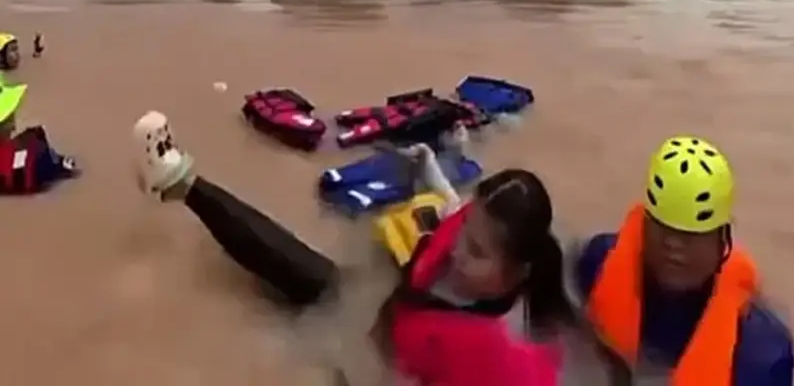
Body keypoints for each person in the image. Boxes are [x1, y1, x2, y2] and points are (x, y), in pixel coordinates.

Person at [132, 110, 573, 385]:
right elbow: (454, 208)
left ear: (519, 273)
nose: (457, 252)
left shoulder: (504, 365)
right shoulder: (473, 226)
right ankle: (177, 182)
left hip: (377, 361)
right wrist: (430, 167)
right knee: (287, 260)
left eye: (476, 252)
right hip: (377, 315)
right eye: (464, 235)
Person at [574, 136, 794, 385]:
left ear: (722, 241)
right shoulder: (596, 264)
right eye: (663, 227)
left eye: (690, 234)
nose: (673, 244)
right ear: (644, 224)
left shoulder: (761, 353)